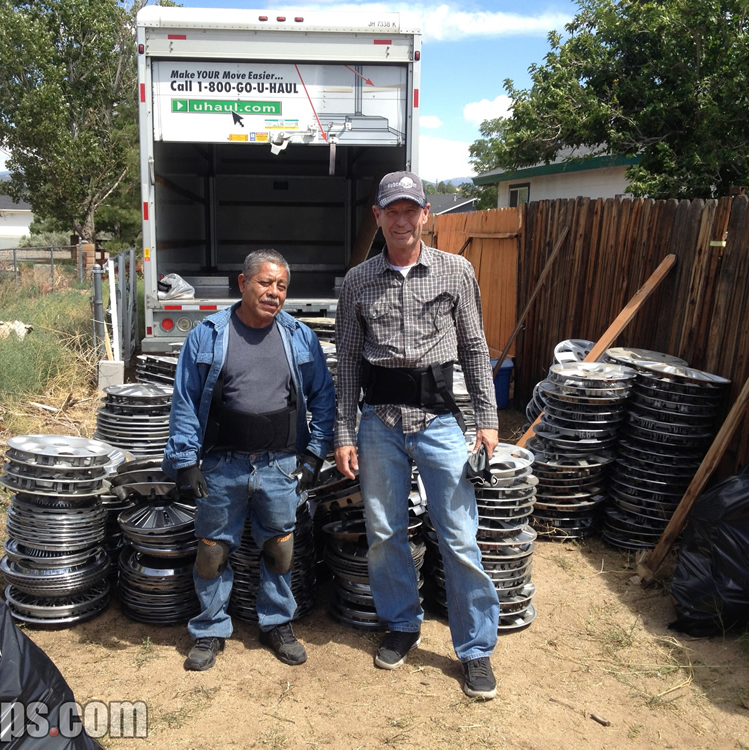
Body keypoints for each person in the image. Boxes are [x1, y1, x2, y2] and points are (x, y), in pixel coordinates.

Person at [333, 171, 501, 700]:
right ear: (378, 217)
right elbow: (347, 367)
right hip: (379, 424)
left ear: (426, 214)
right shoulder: (357, 281)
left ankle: (474, 648)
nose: (401, 220)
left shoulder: (456, 271)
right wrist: (344, 431)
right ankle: (403, 623)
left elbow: (475, 347)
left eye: (411, 210)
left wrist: (488, 420)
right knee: (385, 535)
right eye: (391, 211)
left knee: (459, 536)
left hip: (440, 422)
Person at [163, 249, 335, 672]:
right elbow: (185, 401)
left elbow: (324, 397)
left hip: (279, 466)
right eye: (264, 283)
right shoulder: (208, 335)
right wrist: (186, 461)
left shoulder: (299, 337)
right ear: (243, 284)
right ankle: (208, 630)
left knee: (280, 550)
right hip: (222, 466)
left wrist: (314, 455)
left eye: (281, 286)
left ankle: (276, 624)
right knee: (212, 552)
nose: (273, 293)